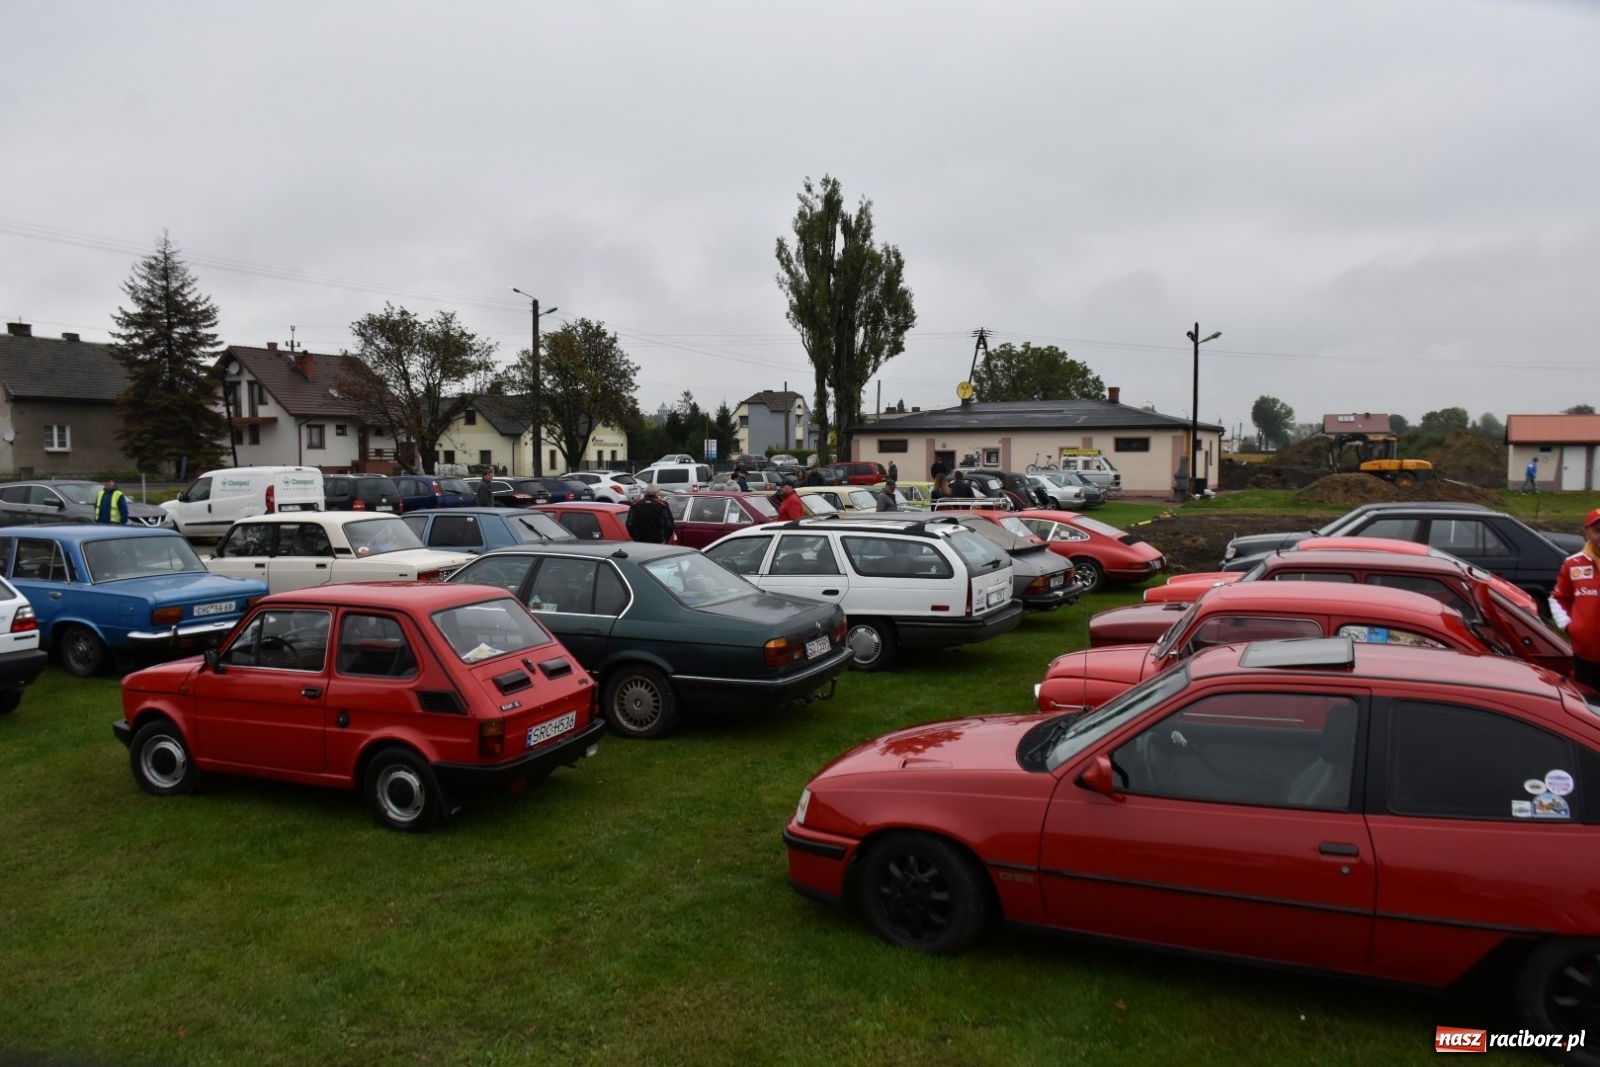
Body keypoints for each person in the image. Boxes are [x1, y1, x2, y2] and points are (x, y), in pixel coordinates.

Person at [1551, 508, 1600, 690]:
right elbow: (1558, 599)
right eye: (1598, 530)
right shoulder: (1573, 564)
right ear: (1586, 533)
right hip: (1585, 657)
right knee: (1587, 704)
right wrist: (1570, 626)